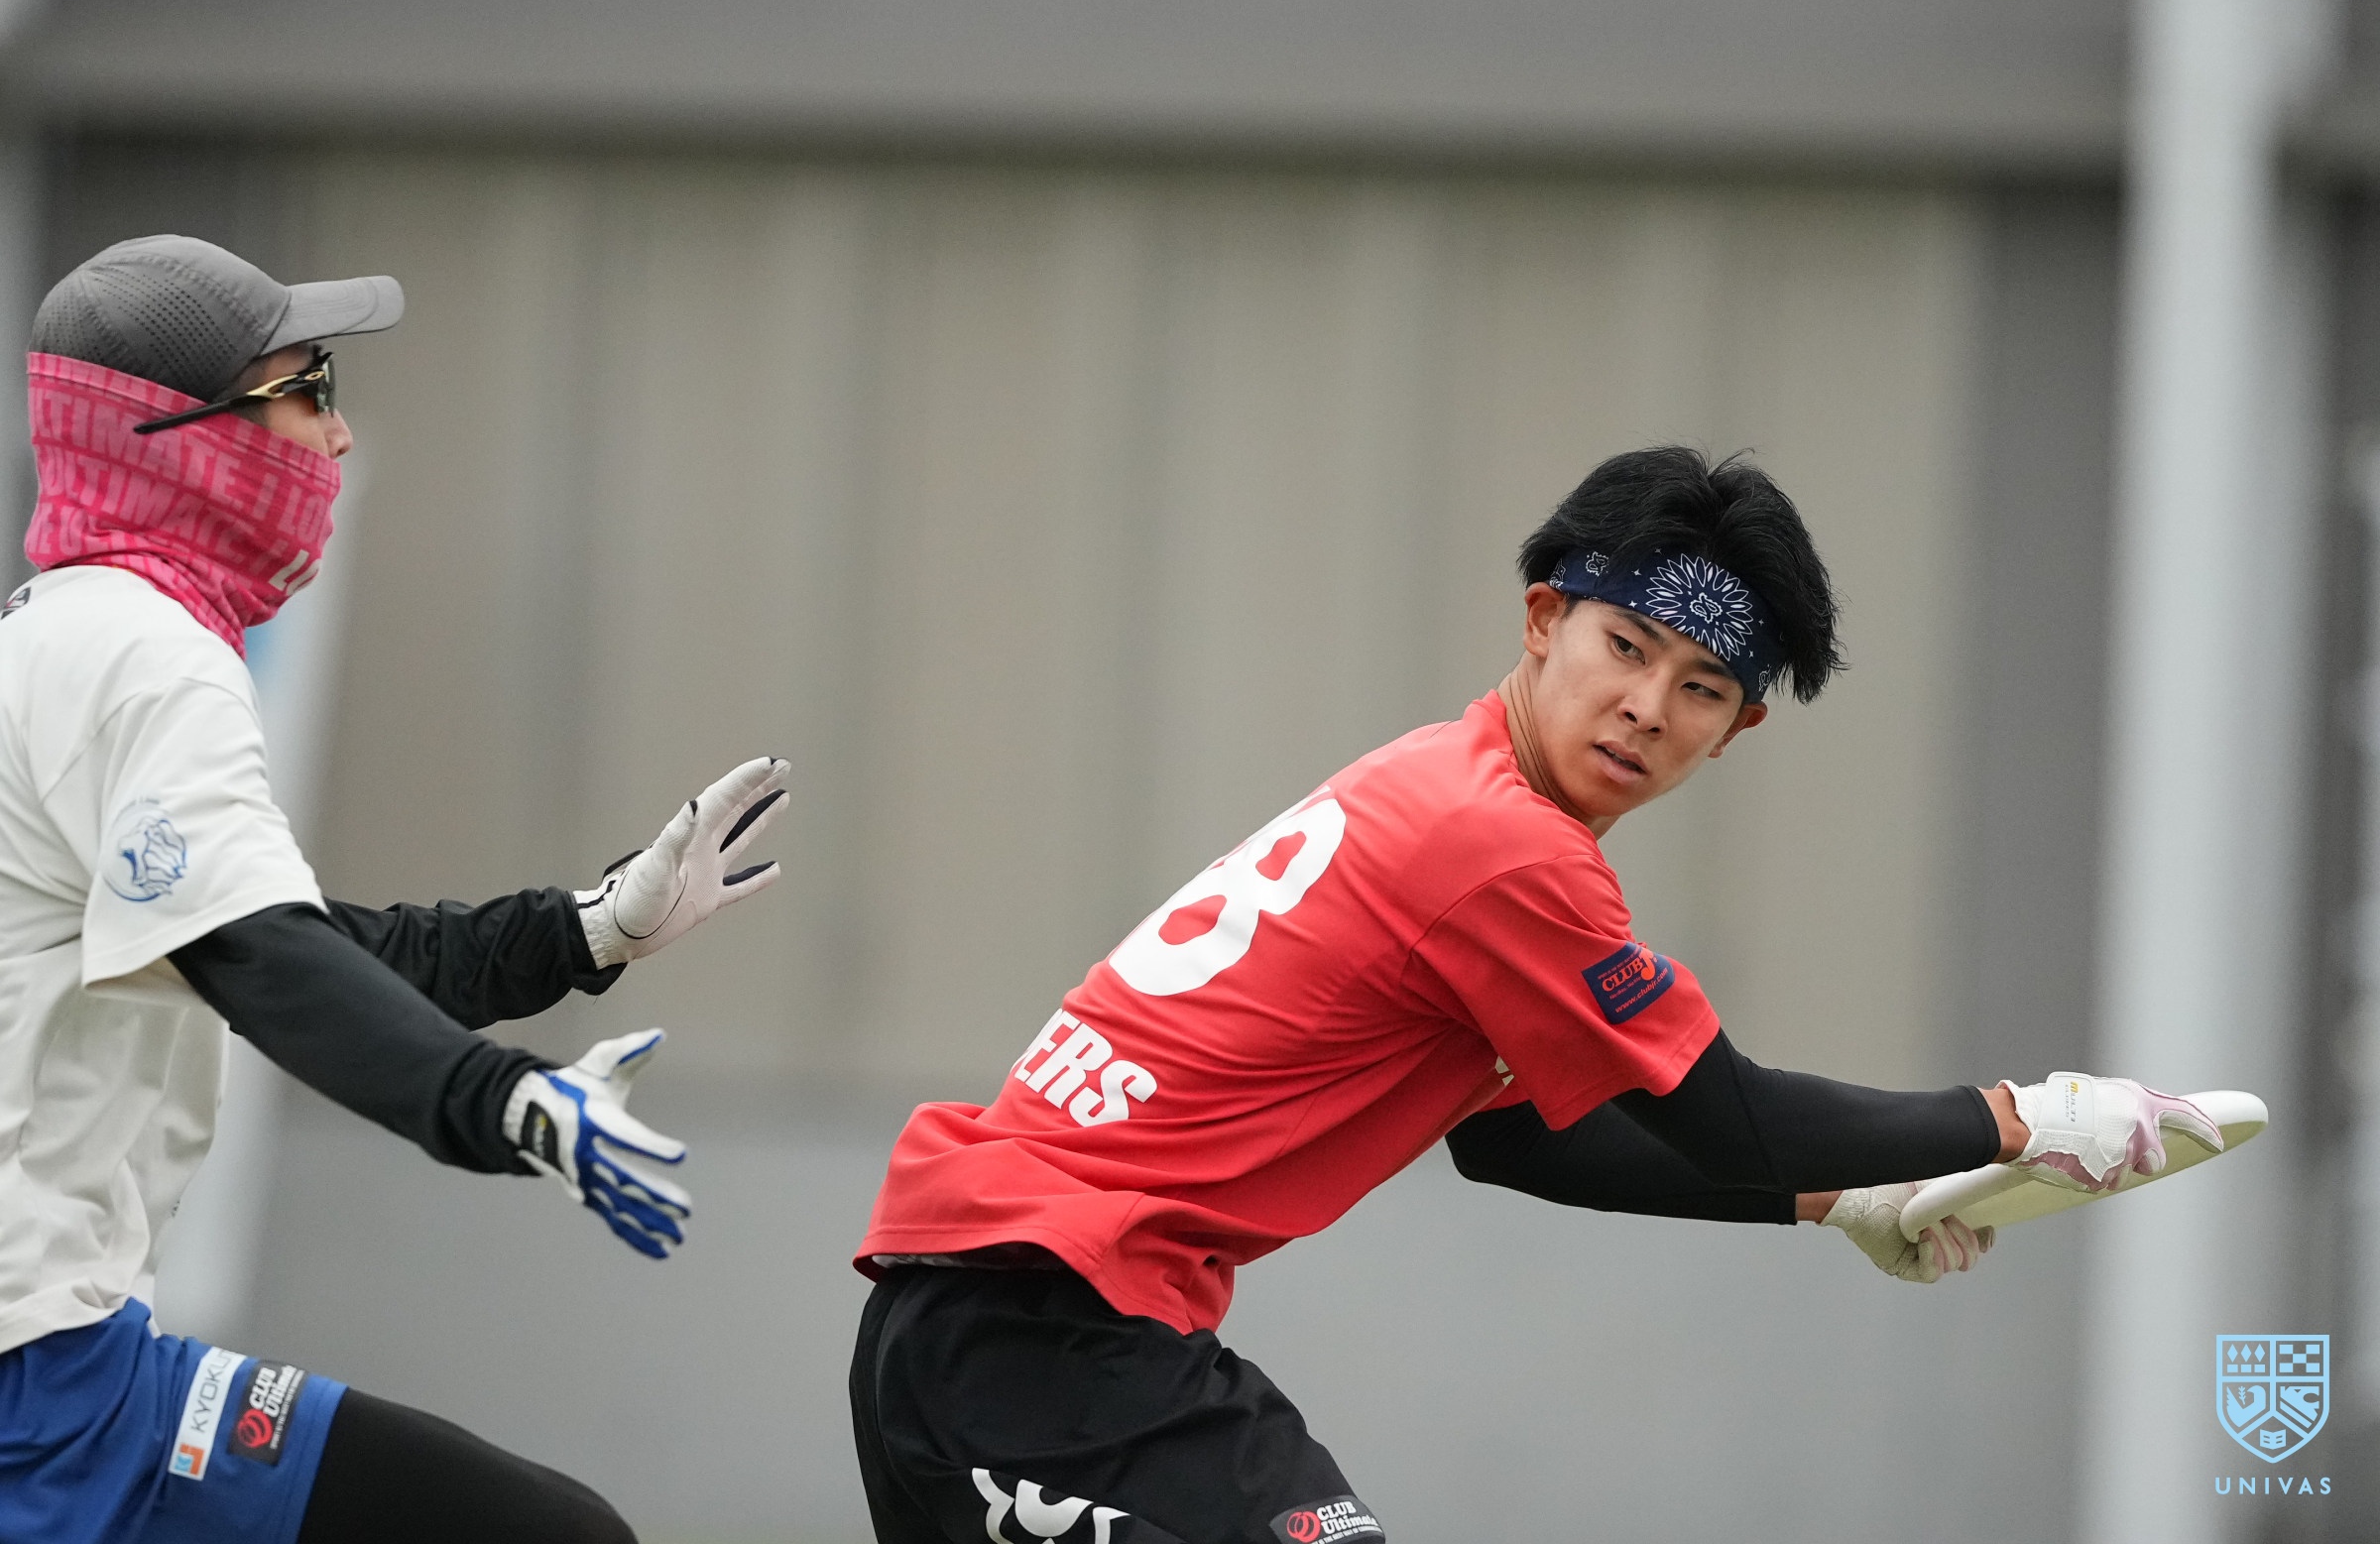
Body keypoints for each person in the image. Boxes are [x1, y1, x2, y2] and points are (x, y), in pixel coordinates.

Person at [847, 446, 2225, 1544]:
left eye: (1702, 686)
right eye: (1625, 645)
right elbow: (1731, 1118)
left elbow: (1520, 1141)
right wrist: (2023, 1118)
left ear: (1735, 732)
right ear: (1545, 619)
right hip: (1048, 1334)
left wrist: (1836, 1200)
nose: (1648, 706)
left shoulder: (1442, 780)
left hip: (982, 1319)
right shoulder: (1508, 851)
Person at [0, 235, 789, 1544]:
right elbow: (266, 962)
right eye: (305, 389)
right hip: (38, 1389)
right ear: (172, 434)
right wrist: (505, 1100)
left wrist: (584, 931)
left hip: (78, 1364)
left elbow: (293, 943)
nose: (341, 434)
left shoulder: (70, 631)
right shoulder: (145, 653)